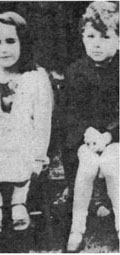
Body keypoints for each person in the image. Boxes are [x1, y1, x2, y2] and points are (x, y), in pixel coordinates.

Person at [0, 12, 53, 235]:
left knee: (20, 137)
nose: (3, 49)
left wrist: (39, 156)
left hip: (24, 138)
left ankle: (19, 201)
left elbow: (43, 121)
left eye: (10, 41)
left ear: (23, 41)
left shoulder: (36, 76)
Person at [61, 1, 119, 252]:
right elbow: (69, 111)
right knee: (86, 166)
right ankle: (77, 227)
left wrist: (109, 134)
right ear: (82, 37)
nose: (96, 43)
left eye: (105, 36)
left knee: (111, 165)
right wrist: (86, 132)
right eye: (91, 36)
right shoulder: (75, 72)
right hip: (85, 139)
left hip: (114, 138)